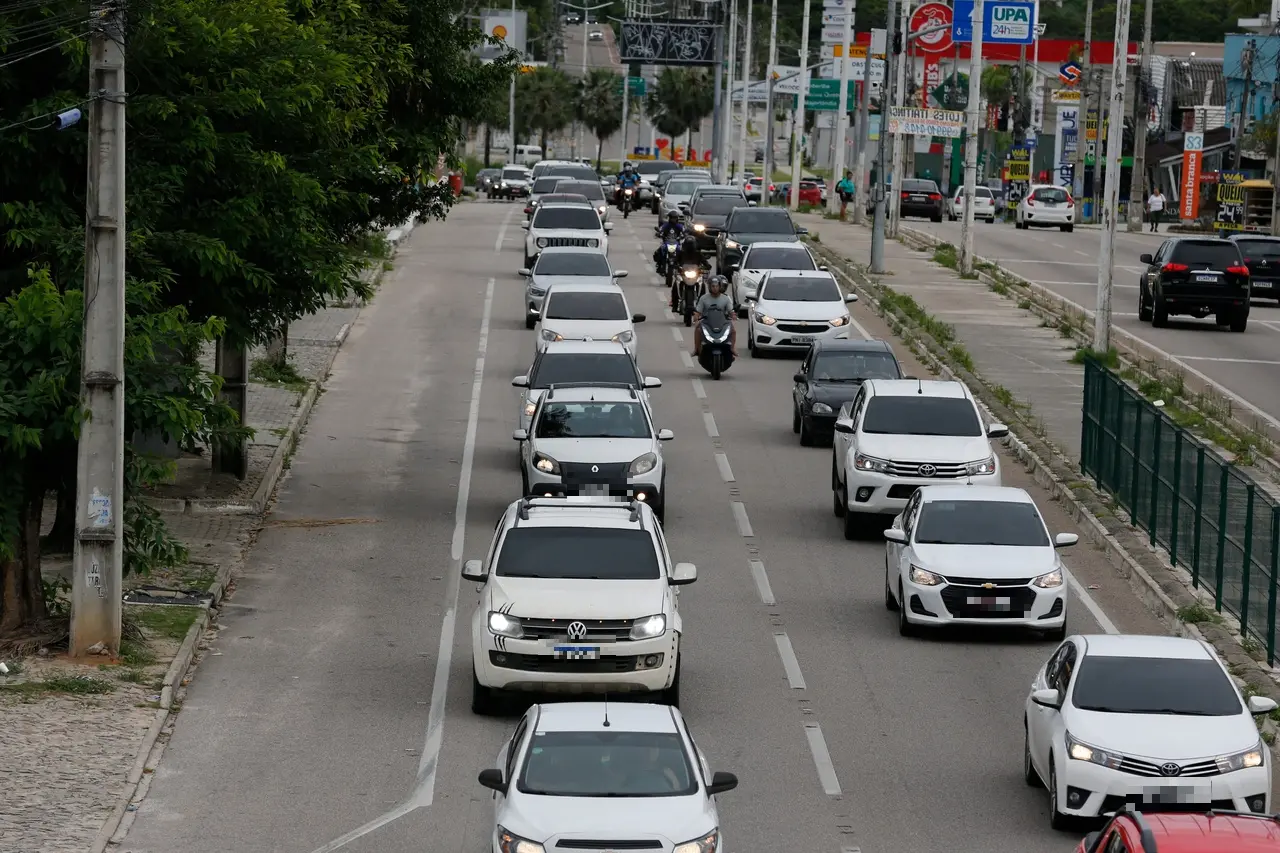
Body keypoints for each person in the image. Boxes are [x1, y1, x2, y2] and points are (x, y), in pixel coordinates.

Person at [691, 275, 736, 359]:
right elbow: (698, 311)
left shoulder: (726, 299)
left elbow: (731, 311)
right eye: (713, 286)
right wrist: (696, 316)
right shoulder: (703, 298)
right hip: (707, 321)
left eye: (717, 286)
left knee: (733, 330)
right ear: (709, 287)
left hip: (722, 322)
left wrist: (733, 315)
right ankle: (696, 349)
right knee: (697, 329)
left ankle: (732, 349)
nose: (715, 288)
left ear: (720, 286)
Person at [671, 235, 707, 310]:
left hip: (696, 274)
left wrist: (706, 266)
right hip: (683, 274)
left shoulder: (698, 254)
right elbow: (675, 261)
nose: (690, 246)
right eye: (688, 244)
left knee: (702, 285)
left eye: (691, 244)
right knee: (675, 285)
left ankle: (703, 304)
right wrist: (675, 265)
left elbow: (705, 262)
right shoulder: (681, 253)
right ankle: (674, 304)